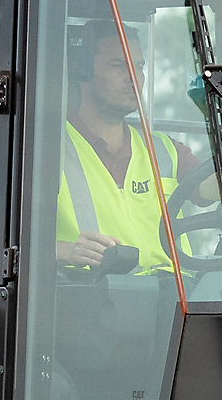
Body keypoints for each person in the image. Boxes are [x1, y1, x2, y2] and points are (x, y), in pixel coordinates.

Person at [54, 38, 182, 273]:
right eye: (118, 65)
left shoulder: (164, 149)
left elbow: (218, 187)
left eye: (139, 67)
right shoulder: (44, 148)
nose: (133, 78)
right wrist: (64, 250)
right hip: (87, 299)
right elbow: (4, 242)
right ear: (82, 72)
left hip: (173, 300)